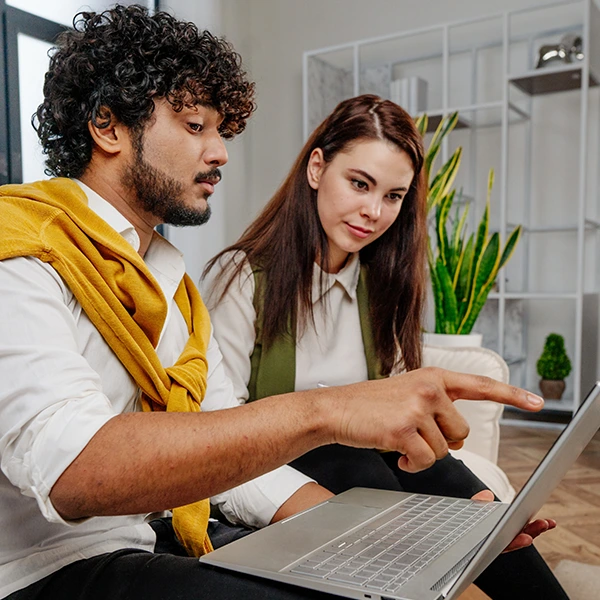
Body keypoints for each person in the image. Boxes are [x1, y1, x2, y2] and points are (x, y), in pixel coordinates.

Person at [0, 5, 550, 600]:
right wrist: (327, 412)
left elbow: (210, 439)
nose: (221, 154)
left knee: (365, 578)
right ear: (108, 126)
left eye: (221, 132)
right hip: (42, 569)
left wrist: (390, 532)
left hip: (147, 535)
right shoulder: (20, 253)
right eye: (194, 126)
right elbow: (75, 473)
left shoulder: (168, 279)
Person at [202, 94, 568, 599]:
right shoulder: (241, 277)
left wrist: (468, 499)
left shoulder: (385, 285)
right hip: (280, 471)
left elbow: (400, 421)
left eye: (394, 196)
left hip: (372, 466)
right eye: (359, 184)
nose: (374, 212)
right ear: (316, 168)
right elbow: (216, 436)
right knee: (350, 457)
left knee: (494, 525)